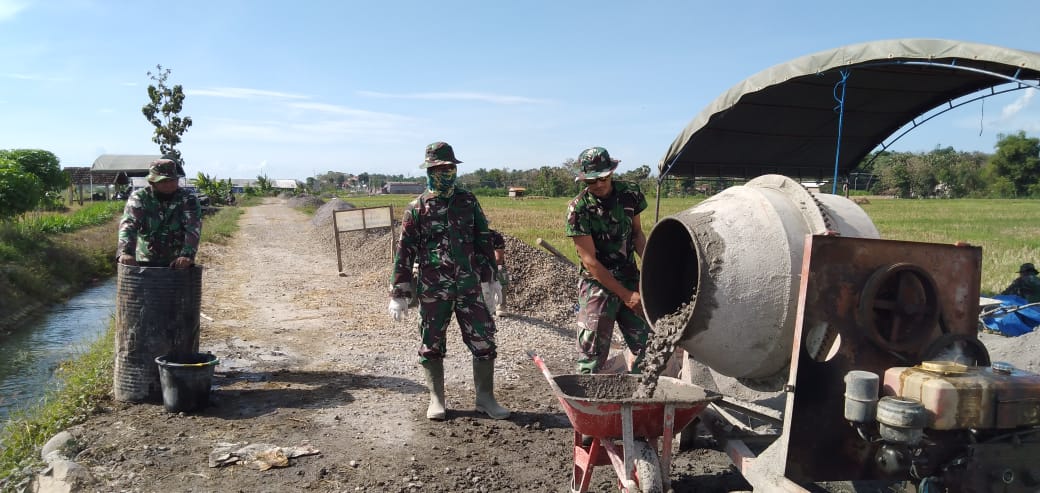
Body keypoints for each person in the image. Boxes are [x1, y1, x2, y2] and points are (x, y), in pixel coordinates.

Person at [387, 142, 509, 421]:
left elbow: (483, 239)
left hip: (469, 287)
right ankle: (437, 399)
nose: (445, 172)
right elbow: (405, 251)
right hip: (433, 288)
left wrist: (492, 279)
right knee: (431, 344)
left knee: (484, 341)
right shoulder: (417, 208)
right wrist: (399, 291)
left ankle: (486, 398)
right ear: (429, 170)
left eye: (449, 168)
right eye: (439, 168)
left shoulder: (468, 201)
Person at [565, 147, 651, 374]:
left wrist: (653, 267)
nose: (599, 184)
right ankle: (591, 405)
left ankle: (643, 399)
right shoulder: (579, 209)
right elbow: (590, 262)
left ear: (611, 173)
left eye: (603, 178)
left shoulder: (630, 193)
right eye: (592, 181)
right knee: (591, 354)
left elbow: (637, 234)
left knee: (650, 347)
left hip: (629, 277)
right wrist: (626, 296)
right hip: (597, 284)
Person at [117, 158, 202, 269]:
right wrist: (125, 252)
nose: (169, 184)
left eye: (172, 180)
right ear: (152, 182)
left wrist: (187, 255)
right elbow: (129, 224)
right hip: (145, 261)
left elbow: (193, 227)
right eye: (163, 181)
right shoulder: (140, 198)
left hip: (178, 263)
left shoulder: (188, 198)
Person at [489, 228, 511, 317]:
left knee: (501, 272)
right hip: (472, 264)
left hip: (491, 264)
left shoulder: (495, 236)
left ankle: (501, 306)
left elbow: (499, 258)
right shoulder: (468, 235)